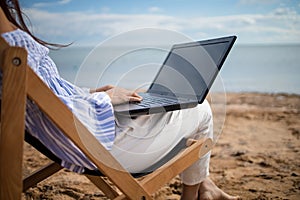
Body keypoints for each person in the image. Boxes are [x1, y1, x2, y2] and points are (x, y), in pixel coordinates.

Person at [0, 1, 240, 199]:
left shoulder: (7, 44)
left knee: (169, 100)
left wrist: (91, 94)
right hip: (101, 147)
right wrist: (106, 98)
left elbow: (48, 96)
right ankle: (198, 193)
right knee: (200, 106)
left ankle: (206, 186)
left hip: (86, 134)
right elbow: (51, 105)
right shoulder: (8, 40)